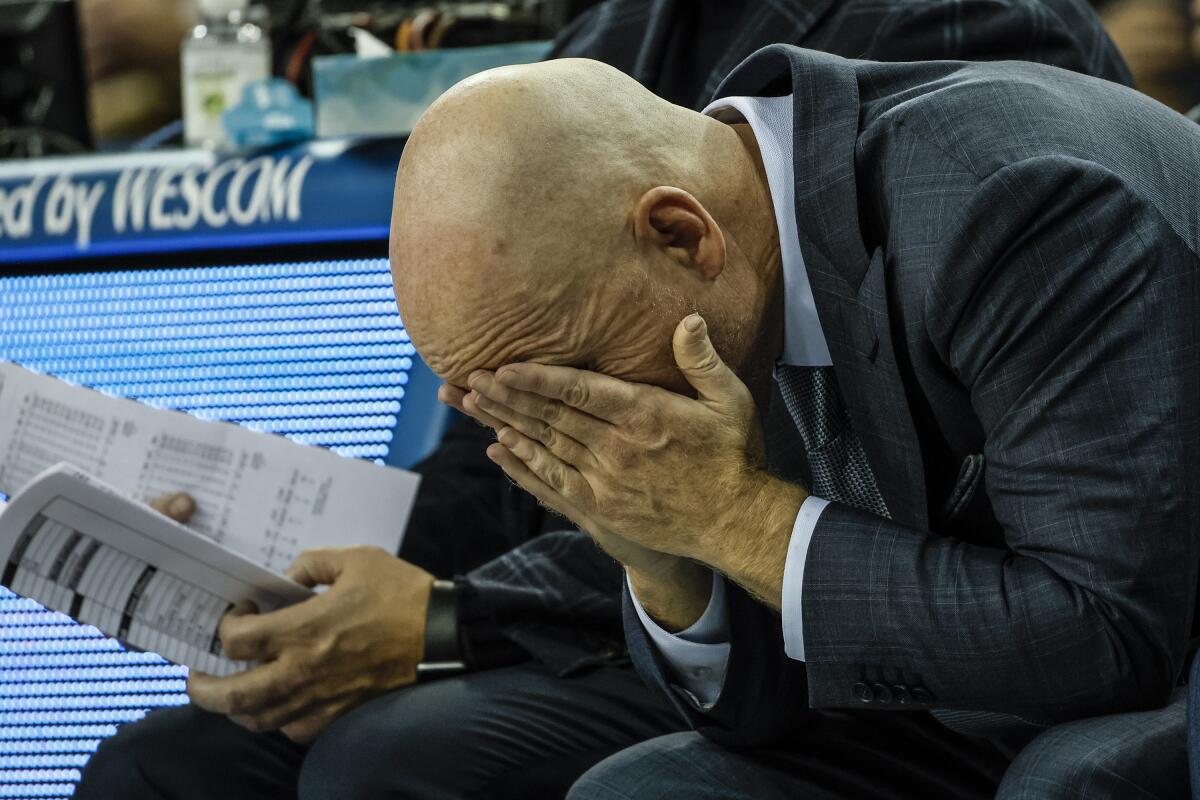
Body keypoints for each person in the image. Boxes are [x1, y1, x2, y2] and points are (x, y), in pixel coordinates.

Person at [75, 2, 1141, 798]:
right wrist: (273, 567)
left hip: (857, 601)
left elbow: (829, 467)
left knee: (390, 762)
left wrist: (453, 617)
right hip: (659, 594)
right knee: (157, 768)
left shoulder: (968, 49)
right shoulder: (601, 40)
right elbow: (493, 450)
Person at [395, 44, 1199, 799]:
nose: (573, 421)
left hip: (1165, 665)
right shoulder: (730, 273)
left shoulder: (1006, 199)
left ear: (682, 235)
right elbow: (761, 717)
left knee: (1072, 779)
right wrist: (665, 561)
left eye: (571, 381)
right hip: (985, 689)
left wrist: (730, 516)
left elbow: (1108, 636)